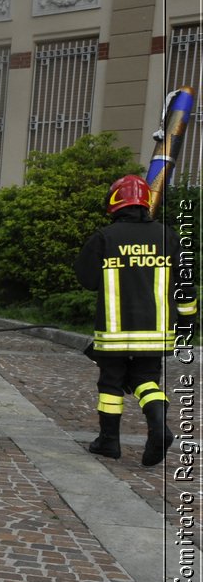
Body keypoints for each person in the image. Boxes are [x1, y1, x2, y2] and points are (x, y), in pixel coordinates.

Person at [74, 174, 196, 466]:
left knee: (112, 383)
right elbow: (186, 284)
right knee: (147, 381)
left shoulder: (105, 238)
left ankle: (109, 442)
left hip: (114, 331)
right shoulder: (168, 236)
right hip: (156, 332)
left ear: (115, 202)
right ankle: (158, 428)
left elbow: (87, 279)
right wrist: (188, 321)